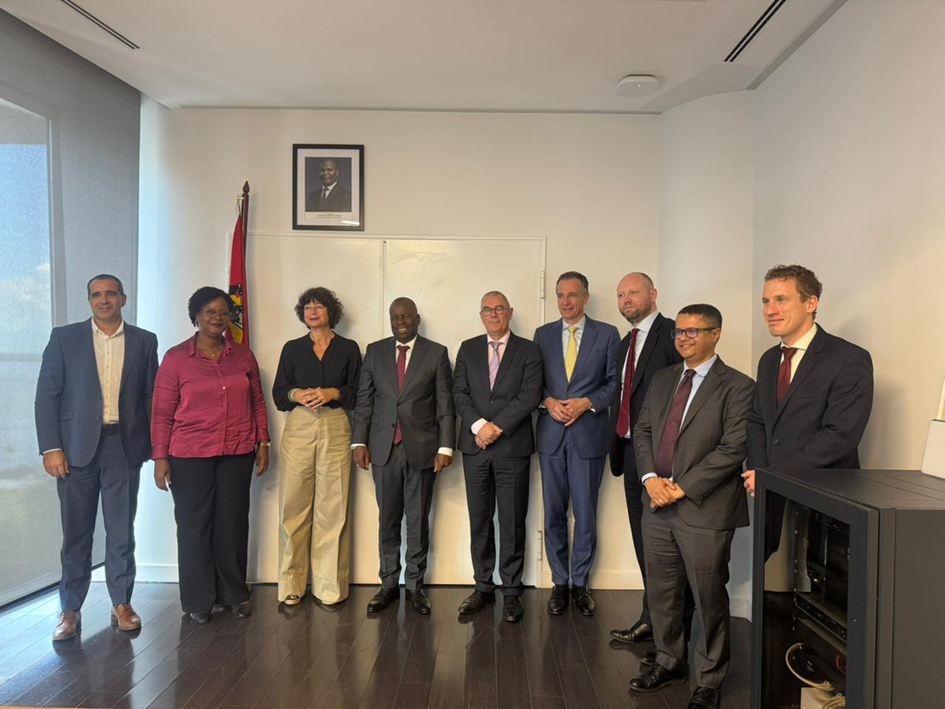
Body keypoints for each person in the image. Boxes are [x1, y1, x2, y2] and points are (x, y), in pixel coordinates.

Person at [629, 305, 754, 709]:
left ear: (716, 334)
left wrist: (680, 488)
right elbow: (642, 430)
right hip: (656, 502)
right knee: (662, 593)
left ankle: (710, 680)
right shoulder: (663, 378)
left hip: (705, 509)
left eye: (692, 331)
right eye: (679, 332)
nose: (682, 338)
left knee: (708, 597)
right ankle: (669, 662)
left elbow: (732, 449)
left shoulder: (738, 386)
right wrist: (651, 479)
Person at [35, 274, 158, 641]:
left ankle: (122, 604)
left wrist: (156, 446)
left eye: (110, 294)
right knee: (76, 534)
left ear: (123, 298)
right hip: (74, 450)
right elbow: (47, 395)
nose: (104, 300)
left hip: (124, 446)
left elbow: (150, 396)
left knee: (121, 531)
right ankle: (70, 609)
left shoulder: (144, 340)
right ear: (89, 300)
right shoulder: (64, 338)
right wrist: (51, 447)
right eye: (96, 295)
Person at [151, 286, 270, 624]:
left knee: (232, 523)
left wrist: (263, 442)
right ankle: (198, 600)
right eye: (210, 312)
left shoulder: (243, 356)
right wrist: (160, 457)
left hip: (237, 450)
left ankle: (234, 593)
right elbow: (161, 412)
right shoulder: (176, 358)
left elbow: (257, 402)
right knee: (194, 526)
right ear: (196, 317)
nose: (218, 318)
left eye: (223, 312)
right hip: (189, 454)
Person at [742, 264, 873, 558]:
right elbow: (757, 421)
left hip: (824, 498)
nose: (770, 310)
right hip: (771, 497)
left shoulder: (848, 358)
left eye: (781, 299)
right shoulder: (768, 360)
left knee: (818, 579)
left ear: (811, 303)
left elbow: (841, 435)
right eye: (766, 301)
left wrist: (773, 475)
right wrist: (761, 473)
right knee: (770, 578)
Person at [607, 273, 695, 658]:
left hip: (664, 458)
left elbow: (688, 393)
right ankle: (652, 618)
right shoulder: (624, 343)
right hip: (630, 452)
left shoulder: (674, 334)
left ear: (653, 294)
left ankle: (676, 632)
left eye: (633, 292)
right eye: (621, 295)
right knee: (645, 544)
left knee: (670, 549)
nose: (626, 300)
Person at [352, 297, 455, 615]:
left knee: (418, 520)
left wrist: (446, 447)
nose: (400, 322)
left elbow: (445, 404)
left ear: (417, 319)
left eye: (406, 316)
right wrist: (358, 442)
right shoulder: (375, 352)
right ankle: (387, 584)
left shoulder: (436, 353)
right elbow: (364, 400)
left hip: (422, 450)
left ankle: (414, 586)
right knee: (388, 520)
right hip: (383, 449)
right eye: (395, 317)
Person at [452, 291, 543, 623]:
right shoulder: (468, 348)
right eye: (487, 310)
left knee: (512, 521)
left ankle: (512, 590)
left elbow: (530, 395)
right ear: (481, 315)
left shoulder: (529, 350)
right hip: (475, 447)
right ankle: (483, 586)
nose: (493, 314)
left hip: (512, 448)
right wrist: (479, 426)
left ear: (510, 312)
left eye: (499, 309)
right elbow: (458, 392)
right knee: (479, 520)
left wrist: (497, 427)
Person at [533, 271, 619, 616]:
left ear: (585, 297)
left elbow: (615, 384)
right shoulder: (542, 335)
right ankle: (559, 582)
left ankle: (580, 583)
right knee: (553, 512)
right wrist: (548, 401)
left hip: (589, 436)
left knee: (585, 513)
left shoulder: (607, 334)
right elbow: (532, 381)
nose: (565, 301)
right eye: (560, 295)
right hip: (551, 436)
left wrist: (587, 403)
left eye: (572, 295)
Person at [272, 287, 362, 606]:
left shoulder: (348, 348)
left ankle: (329, 586)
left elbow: (359, 392)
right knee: (293, 506)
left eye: (319, 306)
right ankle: (291, 584)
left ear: (330, 312)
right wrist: (296, 394)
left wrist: (333, 393)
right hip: (299, 425)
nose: (312, 311)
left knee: (333, 508)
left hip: (336, 424)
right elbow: (279, 393)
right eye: (307, 307)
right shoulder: (292, 348)